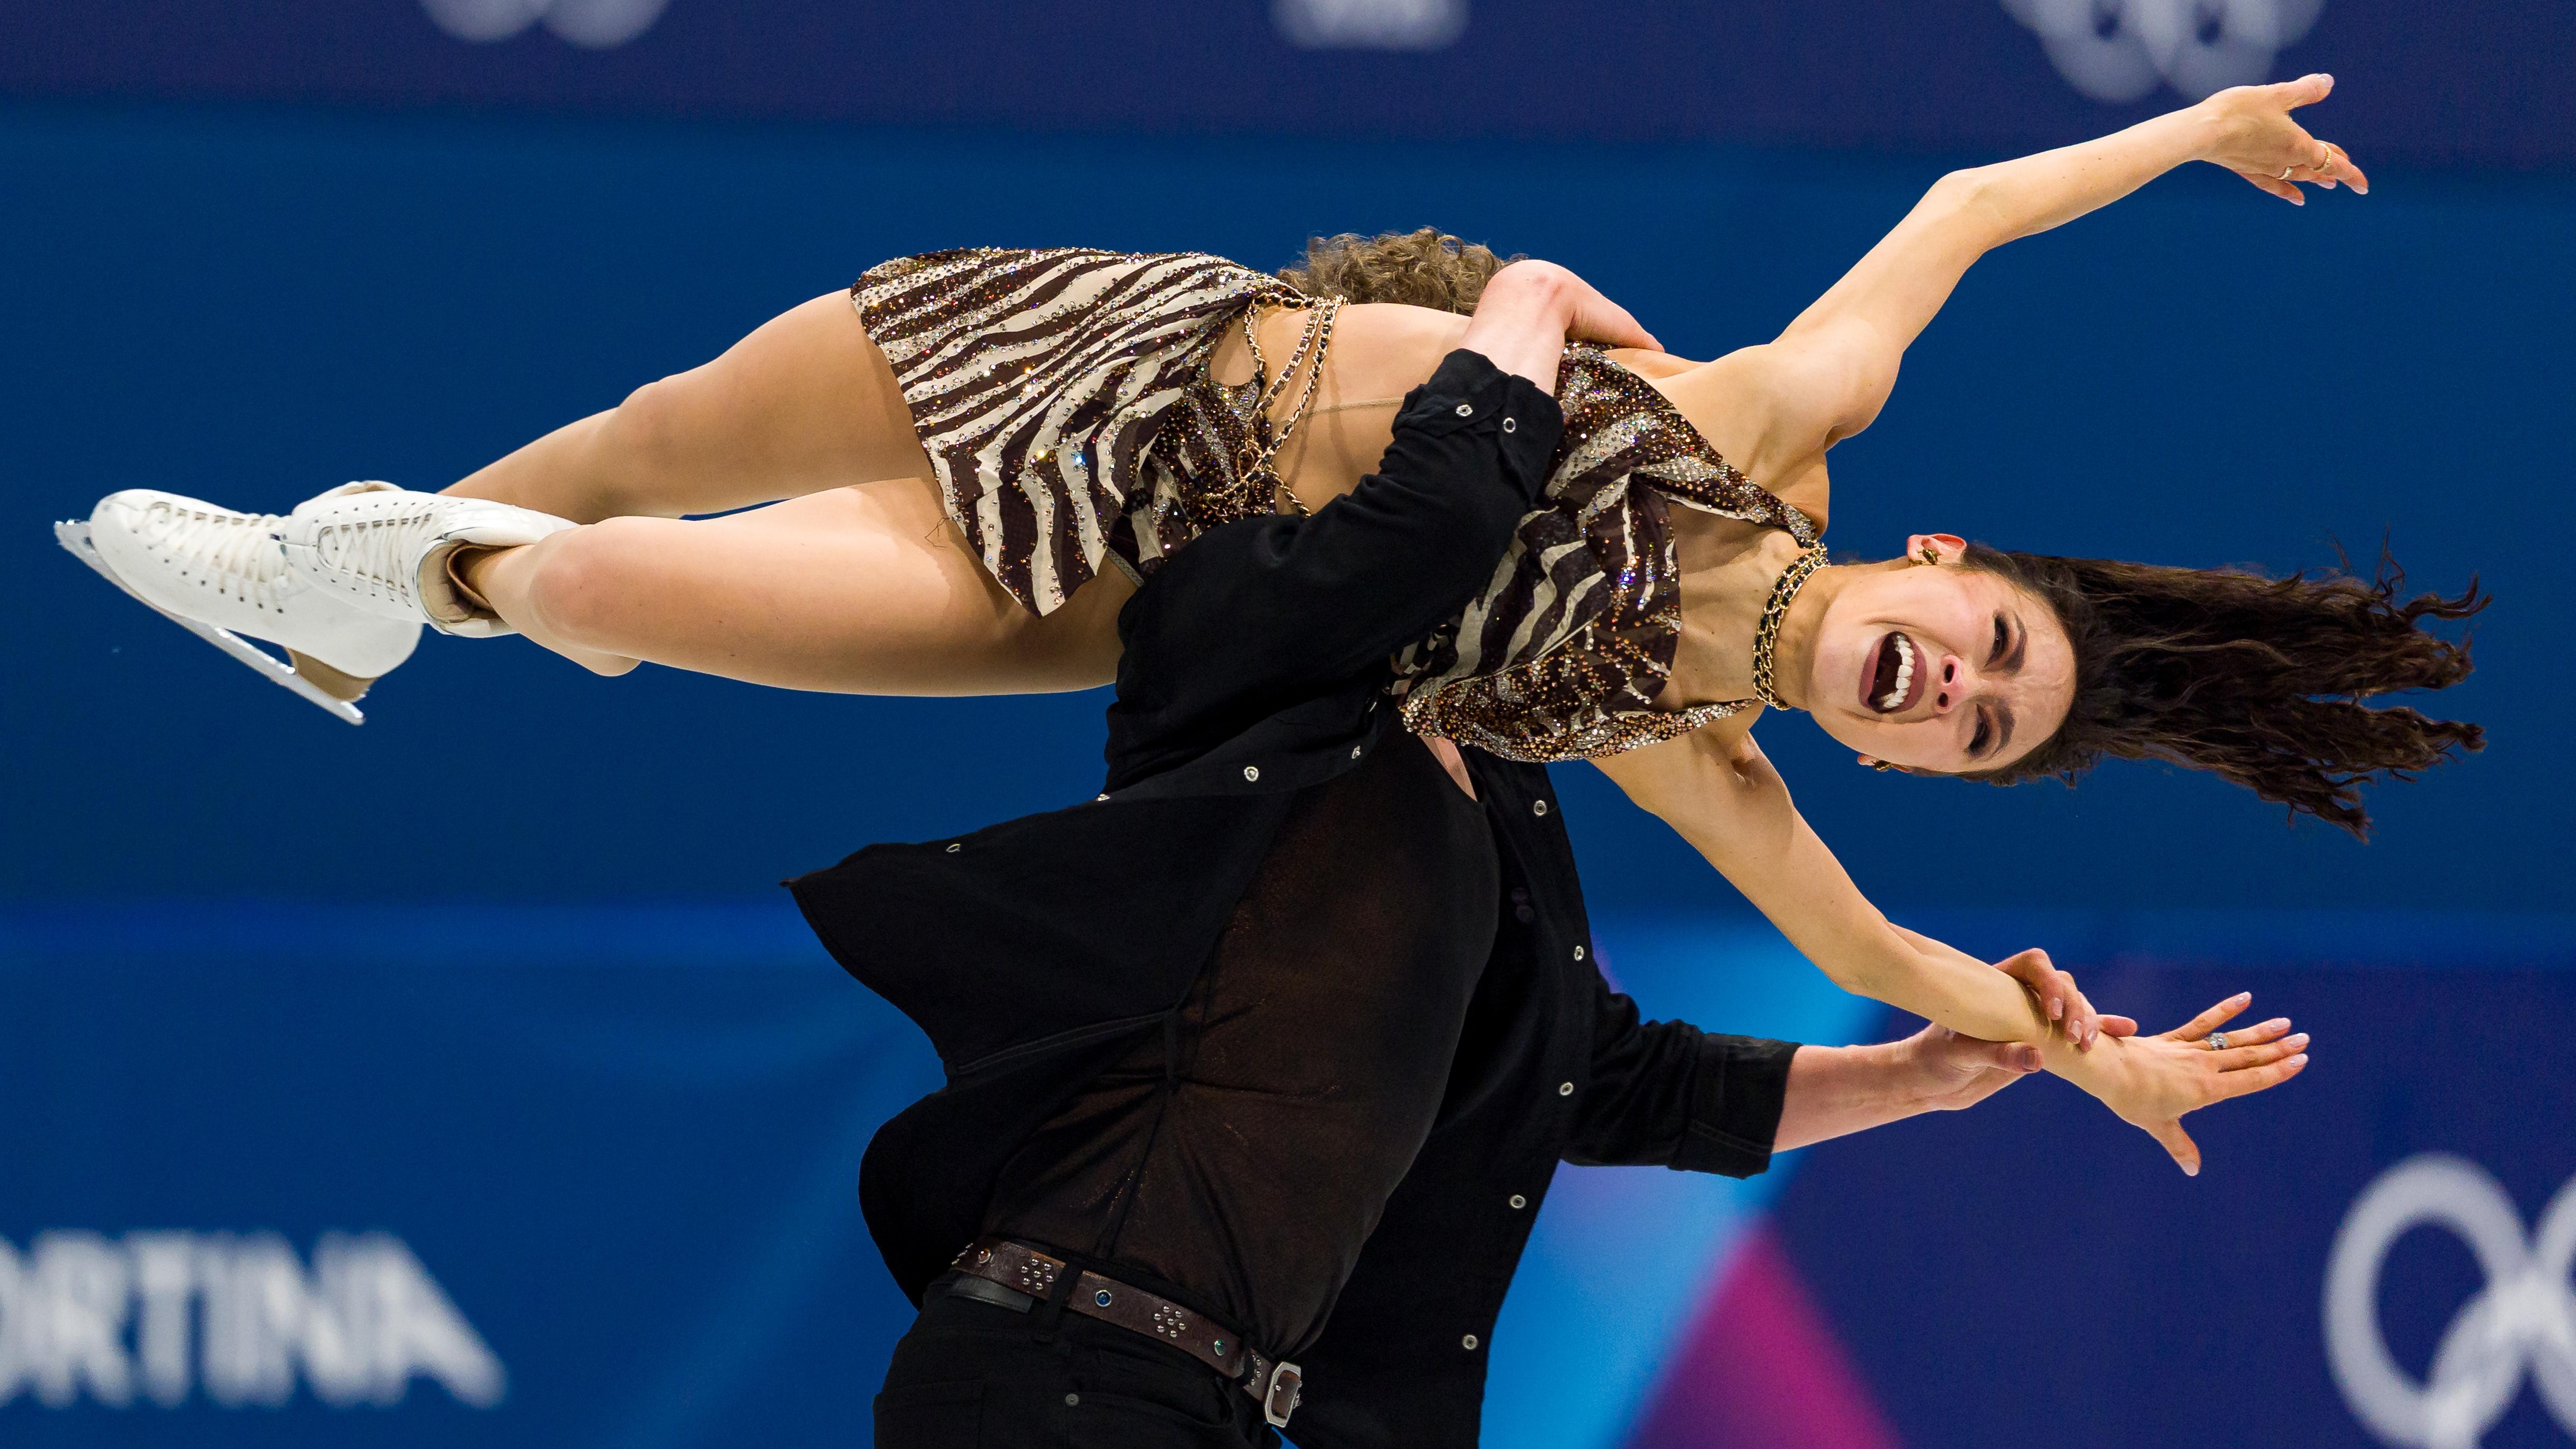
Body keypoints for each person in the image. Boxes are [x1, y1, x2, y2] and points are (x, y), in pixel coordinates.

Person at [69, 76, 2474, 1054]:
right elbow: (1955, 207)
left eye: (1966, 724)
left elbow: (1879, 958)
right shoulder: (1773, 421)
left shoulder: (1685, 748)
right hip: (1112, 347)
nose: (1948, 688)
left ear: (1889, 743)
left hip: (1081, 609)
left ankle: (444, 589)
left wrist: (2081, 1056)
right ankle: (329, 573)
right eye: (1987, 650)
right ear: (1941, 568)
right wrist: (2185, 129)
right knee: (622, 451)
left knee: (595, 589)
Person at [787, 272, 2307, 1447]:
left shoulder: (1503, 785)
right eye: (1521, 434)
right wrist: (1522, 302)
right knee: (597, 560)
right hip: (1061, 1364)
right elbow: (1432, 506)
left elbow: (1608, 1080)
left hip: (1202, 1401)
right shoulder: (1267, 657)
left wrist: (1921, 1075)